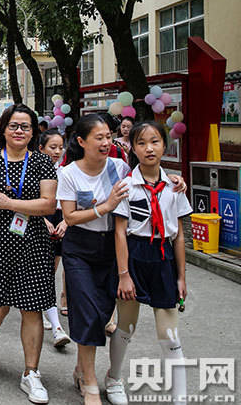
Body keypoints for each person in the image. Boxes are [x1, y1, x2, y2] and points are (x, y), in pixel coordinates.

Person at [0, 104, 58, 404]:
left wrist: (9, 203)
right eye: (14, 125)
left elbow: (48, 205)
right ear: (3, 130)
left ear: (34, 131)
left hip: (32, 242)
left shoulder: (43, 163)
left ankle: (31, 373)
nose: (19, 131)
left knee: (32, 308)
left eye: (25, 126)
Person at [112, 121, 191, 405]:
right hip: (134, 257)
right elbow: (120, 231)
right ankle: (113, 379)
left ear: (164, 146)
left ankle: (179, 397)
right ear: (132, 147)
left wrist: (181, 276)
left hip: (163, 258)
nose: (149, 148)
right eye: (142, 143)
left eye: (155, 141)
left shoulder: (173, 186)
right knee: (126, 327)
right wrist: (124, 274)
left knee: (168, 335)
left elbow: (180, 236)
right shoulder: (126, 186)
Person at [56, 114, 131, 405]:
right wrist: (106, 206)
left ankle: (80, 368)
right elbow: (70, 217)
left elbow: (146, 183)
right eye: (99, 138)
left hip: (111, 248)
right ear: (81, 141)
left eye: (109, 137)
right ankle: (89, 383)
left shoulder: (120, 167)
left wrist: (175, 182)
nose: (105, 143)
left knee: (101, 315)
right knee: (86, 312)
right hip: (79, 250)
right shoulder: (69, 174)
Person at [38, 131, 72, 348]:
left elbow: (75, 201)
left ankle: (50, 308)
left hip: (63, 217)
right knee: (44, 268)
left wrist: (67, 221)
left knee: (56, 266)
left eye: (60, 147)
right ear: (41, 148)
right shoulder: (34, 170)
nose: (57, 152)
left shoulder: (67, 172)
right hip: (42, 217)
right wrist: (43, 219)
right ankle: (51, 319)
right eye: (53, 147)